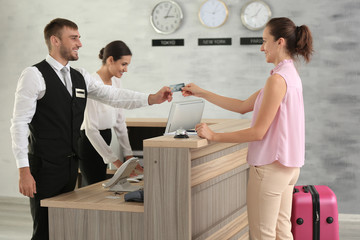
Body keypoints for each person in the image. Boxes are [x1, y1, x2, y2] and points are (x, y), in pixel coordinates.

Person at [10, 18, 172, 240]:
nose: (80, 43)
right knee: (45, 231)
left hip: (70, 165)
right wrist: (23, 171)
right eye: (74, 38)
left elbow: (114, 96)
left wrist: (152, 98)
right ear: (55, 40)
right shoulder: (34, 75)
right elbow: (19, 123)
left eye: (79, 37)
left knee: (66, 227)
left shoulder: (80, 76)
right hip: (43, 168)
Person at [182, 17, 313, 240]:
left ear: (279, 42)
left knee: (262, 235)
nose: (262, 48)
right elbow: (243, 106)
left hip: (270, 168)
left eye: (264, 41)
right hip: (288, 168)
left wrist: (214, 135)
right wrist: (202, 92)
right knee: (282, 231)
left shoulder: (278, 80)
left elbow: (257, 132)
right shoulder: (289, 75)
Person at [78, 40, 142, 186]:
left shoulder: (116, 82)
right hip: (89, 142)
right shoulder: (92, 83)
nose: (126, 69)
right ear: (110, 60)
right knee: (94, 187)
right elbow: (91, 130)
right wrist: (117, 162)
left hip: (106, 136)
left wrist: (129, 156)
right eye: (124, 64)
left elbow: (120, 122)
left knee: (103, 187)